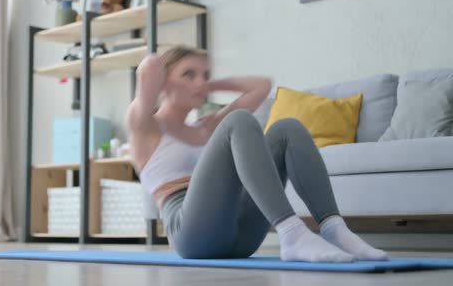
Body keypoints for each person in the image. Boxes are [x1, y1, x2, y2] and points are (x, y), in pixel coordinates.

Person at [125, 46, 388, 262]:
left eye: (204, 75)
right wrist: (160, 69)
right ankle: (291, 232)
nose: (200, 83)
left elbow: (262, 86)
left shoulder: (207, 126)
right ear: (163, 81)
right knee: (239, 120)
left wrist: (206, 83)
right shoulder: (145, 126)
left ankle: (334, 229)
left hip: (241, 238)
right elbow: (147, 70)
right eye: (189, 74)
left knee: (287, 128)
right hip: (191, 235)